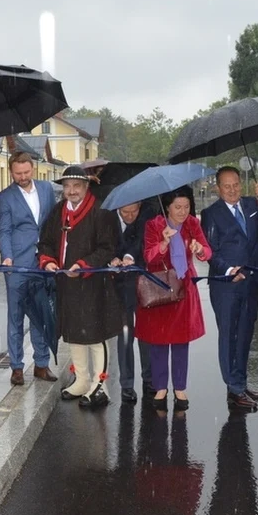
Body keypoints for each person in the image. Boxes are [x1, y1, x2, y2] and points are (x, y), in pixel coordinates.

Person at [37, 166, 125, 408]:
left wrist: (83, 264)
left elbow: (108, 248)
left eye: (77, 186)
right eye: (67, 186)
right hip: (67, 283)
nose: (72, 191)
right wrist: (48, 261)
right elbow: (45, 242)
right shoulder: (58, 211)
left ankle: (100, 384)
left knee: (96, 333)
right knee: (74, 331)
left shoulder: (101, 211)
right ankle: (82, 379)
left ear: (86, 187)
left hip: (93, 283)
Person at [201, 167, 258, 413]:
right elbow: (210, 251)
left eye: (235, 185)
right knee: (229, 336)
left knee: (244, 334)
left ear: (241, 184)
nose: (232, 190)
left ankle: (240, 382)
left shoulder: (252, 204)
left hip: (251, 280)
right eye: (226, 186)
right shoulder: (211, 214)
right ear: (218, 188)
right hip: (226, 285)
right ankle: (233, 389)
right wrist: (228, 269)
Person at [134, 186, 212, 411]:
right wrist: (163, 243)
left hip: (184, 288)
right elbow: (148, 258)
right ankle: (160, 387)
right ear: (167, 207)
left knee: (180, 340)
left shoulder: (192, 224)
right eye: (177, 207)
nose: (182, 211)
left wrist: (199, 249)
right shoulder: (154, 225)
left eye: (186, 206)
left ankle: (179, 387)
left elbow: (207, 252)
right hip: (160, 288)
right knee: (158, 341)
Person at [0, 152, 58, 386]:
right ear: (11, 172)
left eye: (26, 172)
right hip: (17, 264)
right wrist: (7, 257)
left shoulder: (46, 189)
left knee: (41, 313)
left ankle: (41, 364)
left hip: (43, 261)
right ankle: (16, 367)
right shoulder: (5, 197)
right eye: (18, 173)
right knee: (16, 316)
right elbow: (4, 230)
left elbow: (53, 221)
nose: (22, 177)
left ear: (33, 169)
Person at [109, 200, 153, 403]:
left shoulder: (147, 216)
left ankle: (149, 379)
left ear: (140, 207)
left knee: (146, 333)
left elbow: (143, 242)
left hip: (143, 282)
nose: (129, 216)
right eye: (125, 212)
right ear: (118, 208)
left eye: (134, 211)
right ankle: (126, 384)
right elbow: (104, 244)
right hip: (120, 286)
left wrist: (129, 256)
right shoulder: (108, 219)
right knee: (125, 334)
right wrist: (112, 259)